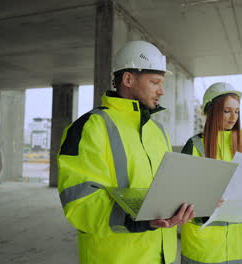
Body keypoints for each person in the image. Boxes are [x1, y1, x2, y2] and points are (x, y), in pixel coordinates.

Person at [57, 40, 195, 264]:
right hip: (116, 257)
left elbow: (166, 189)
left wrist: (196, 198)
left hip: (162, 257)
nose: (161, 91)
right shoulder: (91, 127)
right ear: (128, 79)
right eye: (155, 82)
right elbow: (80, 203)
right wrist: (139, 220)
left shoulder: (157, 130)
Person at [180, 82, 242, 264]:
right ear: (212, 111)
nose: (233, 118)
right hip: (204, 250)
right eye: (227, 111)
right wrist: (206, 200)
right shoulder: (195, 146)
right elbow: (179, 195)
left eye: (237, 111)